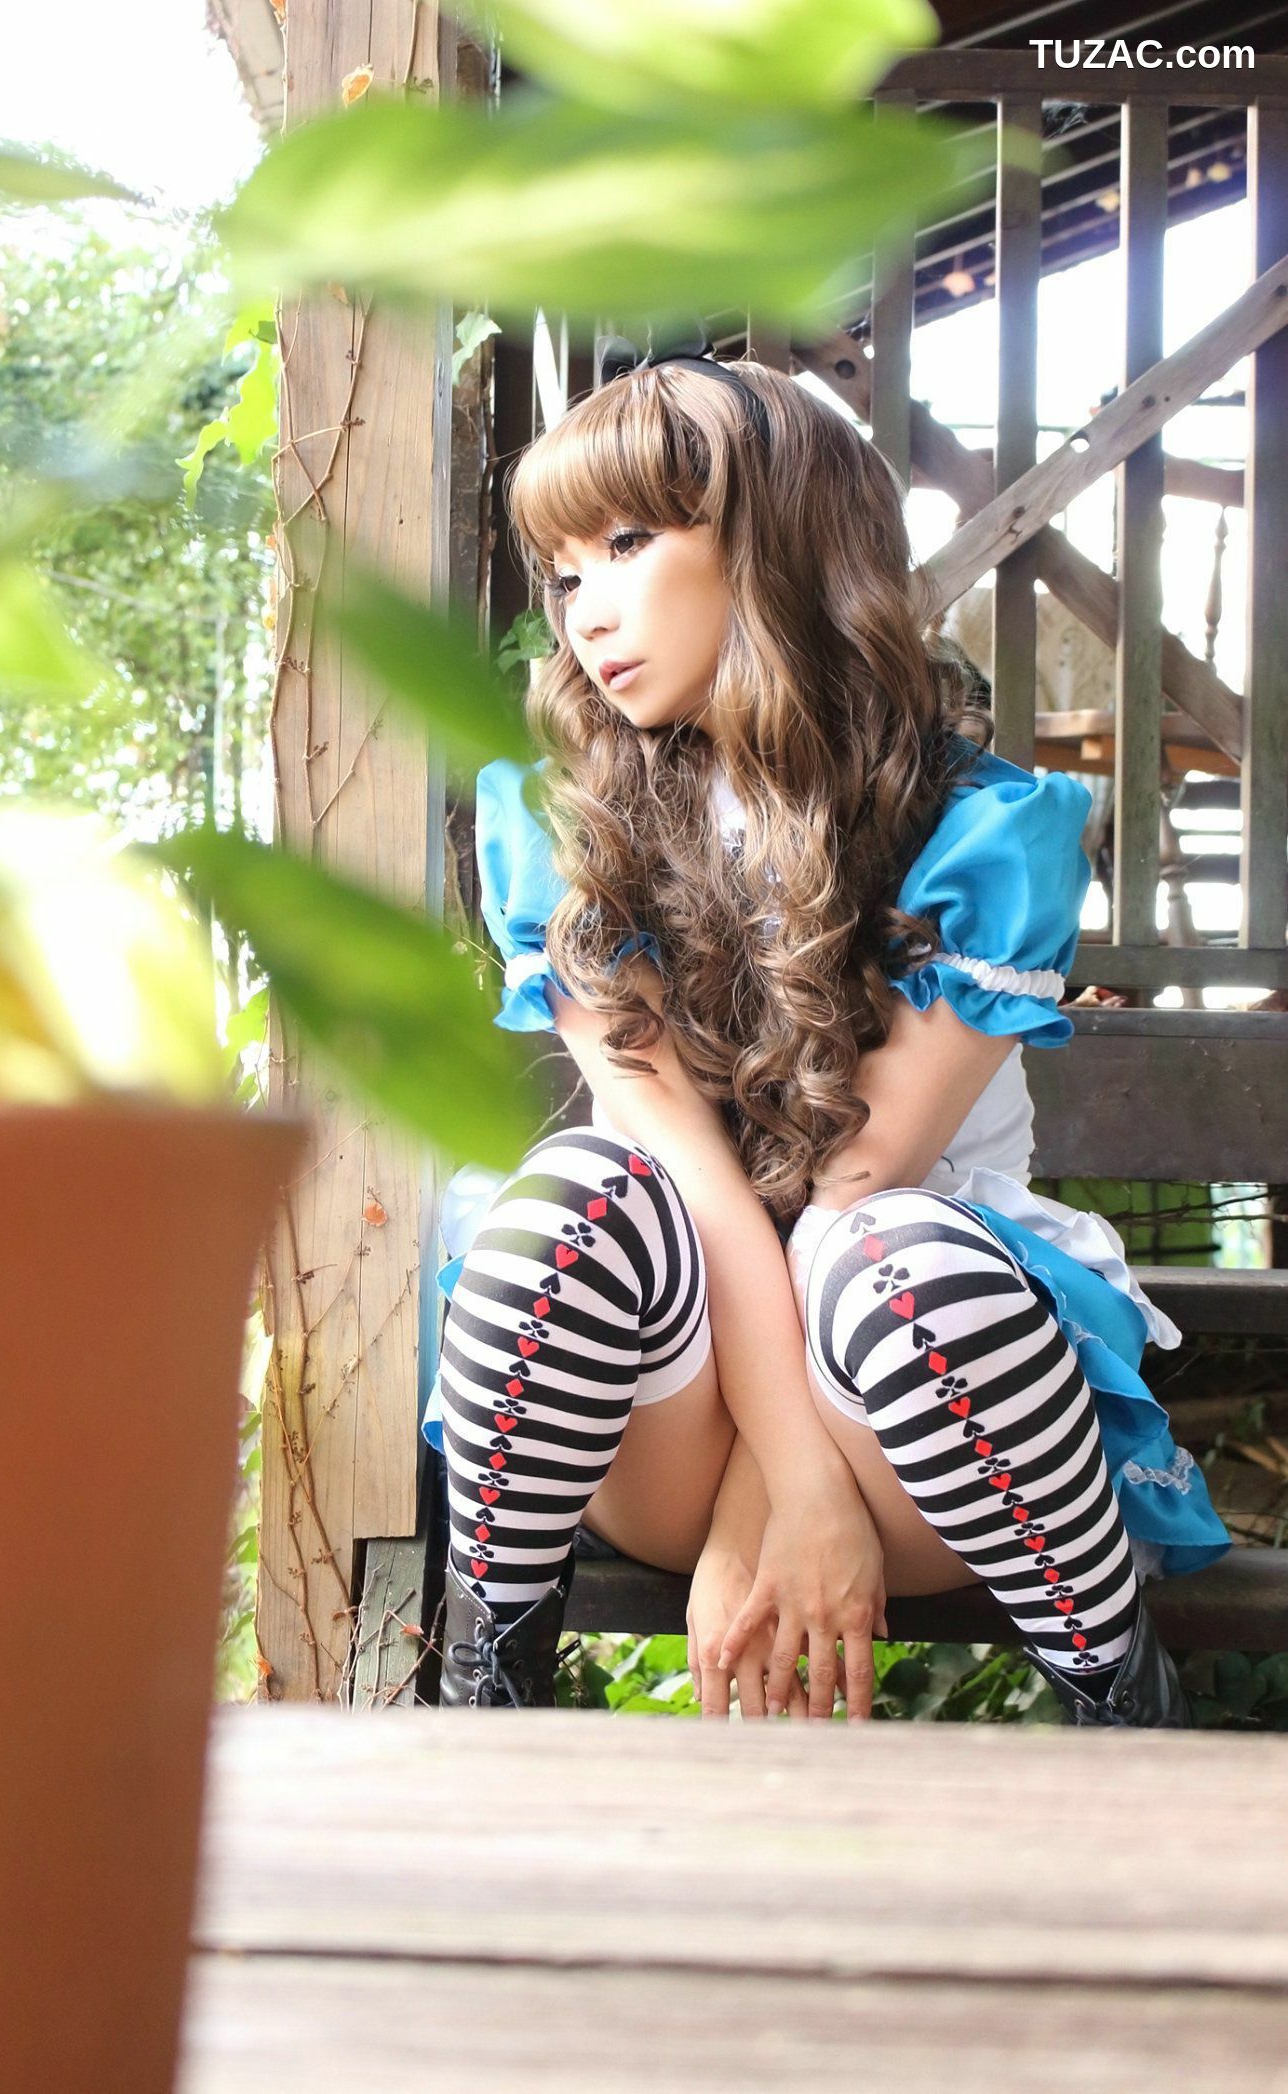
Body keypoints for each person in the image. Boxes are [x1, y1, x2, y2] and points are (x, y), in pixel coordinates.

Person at [426, 335, 1231, 1724]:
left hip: (918, 1435)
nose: (585, 612)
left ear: (774, 542)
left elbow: (852, 1185)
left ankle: (1121, 1700)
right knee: (580, 1198)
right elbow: (692, 1178)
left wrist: (791, 1491)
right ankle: (483, 1689)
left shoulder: (977, 831)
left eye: (628, 544)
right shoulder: (568, 829)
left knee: (890, 1252)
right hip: (673, 1428)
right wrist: (769, 1486)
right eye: (563, 572)